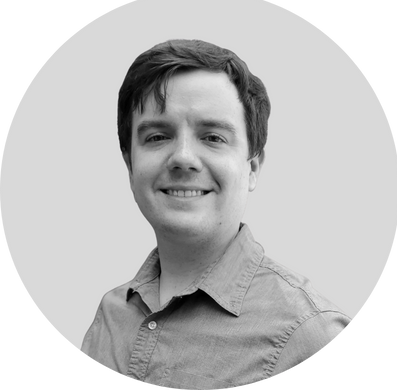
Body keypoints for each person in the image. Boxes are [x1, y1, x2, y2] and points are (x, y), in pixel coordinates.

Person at [81, 39, 352, 389]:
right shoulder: (111, 314)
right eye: (158, 136)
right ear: (130, 165)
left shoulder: (312, 335)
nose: (183, 157)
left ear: (252, 167)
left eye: (212, 137)